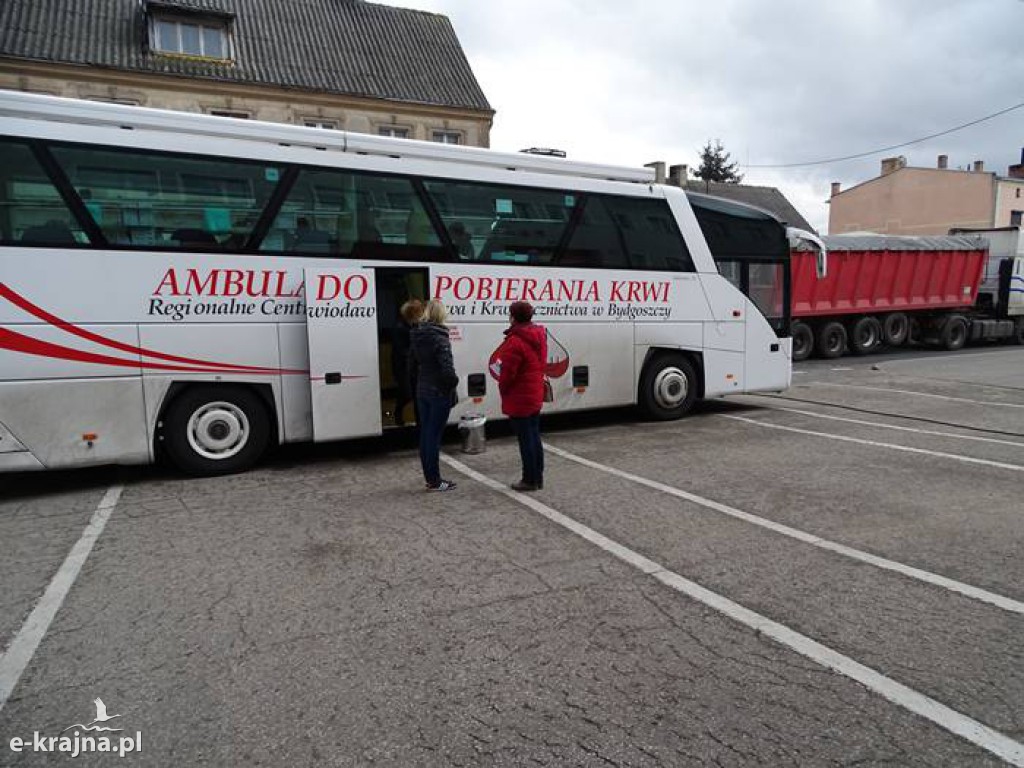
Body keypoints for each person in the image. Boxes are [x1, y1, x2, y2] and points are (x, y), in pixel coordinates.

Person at [493, 301, 547, 491]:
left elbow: (507, 374)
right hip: (534, 395)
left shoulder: (515, 341)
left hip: (519, 397)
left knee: (526, 440)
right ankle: (538, 477)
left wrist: (503, 388)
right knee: (534, 436)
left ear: (513, 317)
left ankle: (529, 479)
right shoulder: (539, 335)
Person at [408, 300, 459, 491]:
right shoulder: (440, 336)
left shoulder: (417, 335)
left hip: (423, 389)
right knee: (434, 436)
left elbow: (411, 367)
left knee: (426, 434)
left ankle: (430, 478)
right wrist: (453, 384)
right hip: (439, 391)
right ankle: (436, 481)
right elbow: (447, 370)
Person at [392, 298, 423, 427]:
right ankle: (397, 412)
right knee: (407, 393)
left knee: (416, 396)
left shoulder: (414, 326)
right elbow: (402, 350)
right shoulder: (400, 328)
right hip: (403, 366)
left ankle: (419, 422)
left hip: (412, 367)